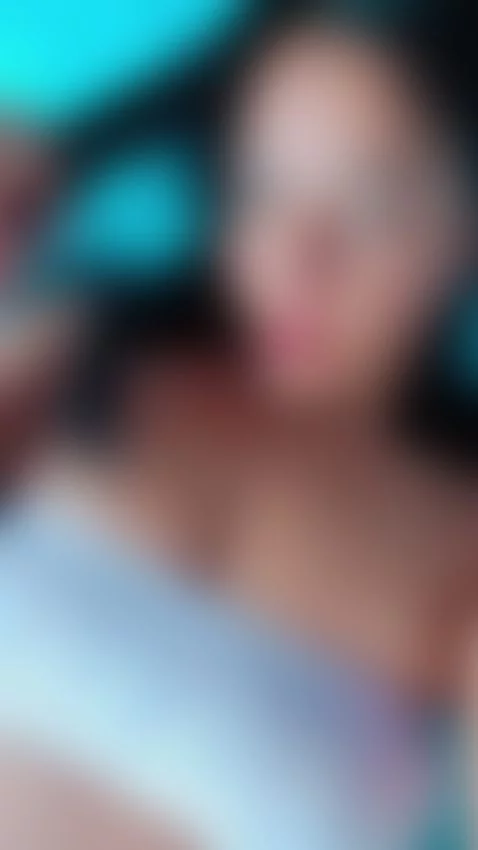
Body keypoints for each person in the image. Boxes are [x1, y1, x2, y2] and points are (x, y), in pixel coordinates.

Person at [0, 11, 476, 850]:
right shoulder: (84, 359)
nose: (296, 258)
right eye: (262, 189)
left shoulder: (455, 543)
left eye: (373, 208)